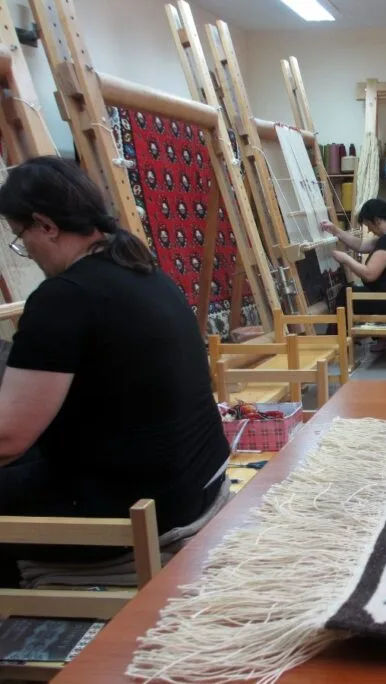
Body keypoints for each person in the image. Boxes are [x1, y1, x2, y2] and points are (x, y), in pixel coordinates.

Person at [0, 157, 228, 586]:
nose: (26, 252)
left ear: (46, 225)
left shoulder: (63, 297)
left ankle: (24, 610)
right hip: (199, 483)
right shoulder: (147, 273)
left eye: (20, 238)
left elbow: (8, 438)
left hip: (147, 509)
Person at [323, 198, 386, 348]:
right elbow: (361, 245)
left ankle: (334, 343)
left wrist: (346, 259)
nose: (369, 230)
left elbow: (369, 274)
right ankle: (358, 337)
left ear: (377, 220)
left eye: (368, 225)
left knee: (345, 294)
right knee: (352, 292)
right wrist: (336, 231)